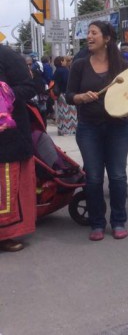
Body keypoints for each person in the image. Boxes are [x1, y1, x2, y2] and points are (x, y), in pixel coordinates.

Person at [66, 21, 128, 241]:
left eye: (94, 33)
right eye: (88, 33)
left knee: (117, 176)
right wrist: (81, 97)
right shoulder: (79, 65)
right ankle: (96, 222)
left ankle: (118, 221)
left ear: (107, 39)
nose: (89, 36)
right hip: (88, 128)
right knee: (93, 178)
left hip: (118, 128)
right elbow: (69, 96)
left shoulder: (122, 66)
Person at [0, 45, 37, 252]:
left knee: (5, 189)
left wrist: (3, 94)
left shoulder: (6, 55)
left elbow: (29, 87)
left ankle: (5, 234)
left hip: (7, 138)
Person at [52, 56, 77, 136]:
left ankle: (61, 128)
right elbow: (68, 81)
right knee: (69, 112)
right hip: (65, 93)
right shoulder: (64, 71)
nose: (66, 62)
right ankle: (69, 129)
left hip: (59, 94)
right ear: (61, 62)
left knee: (61, 112)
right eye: (64, 61)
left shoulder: (57, 71)